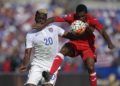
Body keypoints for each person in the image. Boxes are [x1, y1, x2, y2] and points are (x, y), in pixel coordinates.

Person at [33, 4, 115, 86]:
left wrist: (109, 43)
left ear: (86, 14)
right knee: (63, 50)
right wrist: (42, 25)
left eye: (83, 16)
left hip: (87, 47)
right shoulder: (71, 17)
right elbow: (54, 19)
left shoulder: (92, 19)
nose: (80, 18)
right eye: (79, 16)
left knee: (90, 66)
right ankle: (50, 74)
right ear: (76, 14)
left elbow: (102, 31)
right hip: (75, 43)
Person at [19, 9, 80, 86]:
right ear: (35, 18)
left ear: (46, 19)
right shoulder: (30, 34)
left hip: (52, 66)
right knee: (30, 85)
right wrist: (24, 65)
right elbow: (27, 53)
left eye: (43, 18)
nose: (40, 20)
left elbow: (69, 35)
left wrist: (80, 35)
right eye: (39, 18)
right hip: (37, 65)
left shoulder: (54, 28)